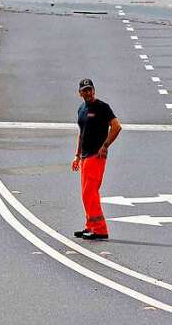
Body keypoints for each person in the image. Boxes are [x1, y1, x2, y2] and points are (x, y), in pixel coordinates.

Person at [71, 78, 121, 240]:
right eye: (84, 90)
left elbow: (116, 126)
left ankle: (100, 229)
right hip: (85, 156)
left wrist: (105, 145)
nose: (87, 93)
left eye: (90, 89)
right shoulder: (81, 109)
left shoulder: (102, 107)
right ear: (80, 93)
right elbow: (82, 133)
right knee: (86, 194)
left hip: (96, 155)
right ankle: (90, 226)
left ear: (94, 90)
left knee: (90, 192)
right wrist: (77, 155)